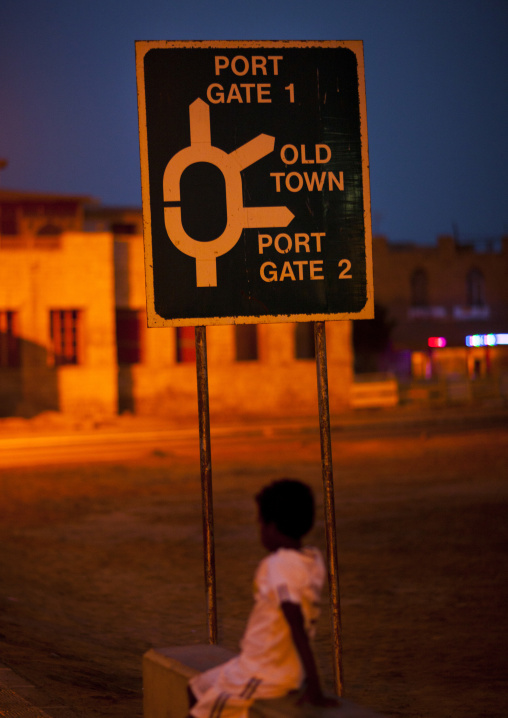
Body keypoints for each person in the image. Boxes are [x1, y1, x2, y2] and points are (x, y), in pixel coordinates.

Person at [188, 478, 335, 718]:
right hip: (253, 663)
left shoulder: (280, 564)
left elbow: (295, 622)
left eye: (260, 523)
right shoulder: (311, 559)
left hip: (264, 672)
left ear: (272, 527)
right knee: (197, 687)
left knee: (198, 715)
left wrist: (315, 688)